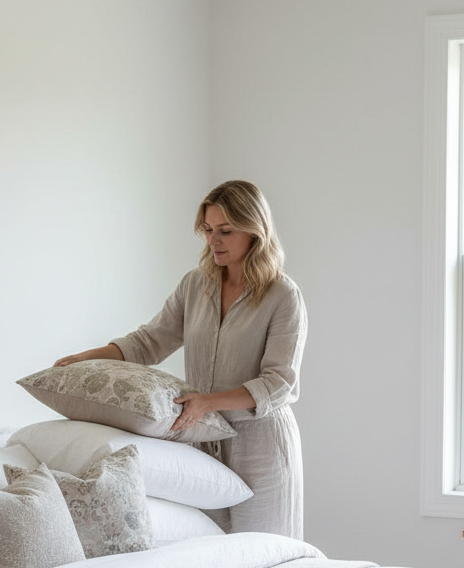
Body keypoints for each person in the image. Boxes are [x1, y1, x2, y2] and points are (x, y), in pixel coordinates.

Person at [54, 180, 307, 538]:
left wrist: (208, 403)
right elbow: (149, 342)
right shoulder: (195, 285)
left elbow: (279, 383)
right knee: (207, 558)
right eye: (207, 230)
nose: (213, 241)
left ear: (255, 231)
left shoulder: (283, 295)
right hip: (203, 442)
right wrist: (88, 357)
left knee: (267, 557)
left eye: (225, 231)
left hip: (262, 445)